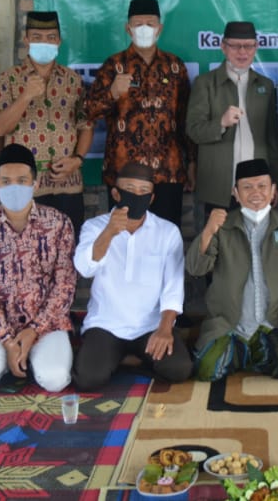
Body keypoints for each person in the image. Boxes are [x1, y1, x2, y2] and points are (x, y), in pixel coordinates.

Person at [0, 145, 77, 398]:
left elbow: (64, 286)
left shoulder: (59, 223)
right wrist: (8, 341)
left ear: (35, 183)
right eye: (6, 182)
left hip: (48, 325)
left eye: (22, 181)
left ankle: (31, 357)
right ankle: (11, 358)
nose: (14, 187)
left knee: (55, 379)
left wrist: (34, 330)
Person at [186, 159, 278, 381]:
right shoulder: (222, 226)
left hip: (274, 321)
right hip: (230, 323)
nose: (255, 193)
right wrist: (208, 230)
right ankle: (248, 352)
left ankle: (244, 354)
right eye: (247, 187)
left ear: (273, 190)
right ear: (235, 192)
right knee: (208, 370)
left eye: (262, 186)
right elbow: (196, 269)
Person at [72, 162, 192, 387]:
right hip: (106, 324)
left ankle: (125, 360)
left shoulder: (167, 231)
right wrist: (109, 232)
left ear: (152, 198)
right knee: (88, 378)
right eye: (130, 189)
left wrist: (165, 329)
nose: (136, 196)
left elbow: (173, 286)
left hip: (150, 326)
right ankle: (125, 359)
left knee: (179, 368)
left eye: (143, 192)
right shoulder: (95, 226)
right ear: (116, 193)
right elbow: (84, 268)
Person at [86, 0, 194, 226]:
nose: (144, 28)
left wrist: (192, 162)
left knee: (165, 239)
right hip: (124, 173)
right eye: (138, 24)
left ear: (159, 29)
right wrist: (112, 93)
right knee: (123, 237)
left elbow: (186, 120)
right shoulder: (113, 65)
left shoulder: (175, 66)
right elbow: (87, 114)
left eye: (150, 23)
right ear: (128, 29)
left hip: (168, 171)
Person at [0, 11, 93, 234]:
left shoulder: (72, 79)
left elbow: (86, 125)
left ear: (59, 41)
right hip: (25, 187)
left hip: (67, 184)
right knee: (26, 250)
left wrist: (78, 159)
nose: (44, 42)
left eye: (51, 37)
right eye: (36, 37)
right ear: (26, 40)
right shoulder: (10, 78)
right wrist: (26, 96)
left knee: (67, 247)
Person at [186, 21, 278, 214]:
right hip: (219, 186)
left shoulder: (265, 85)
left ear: (256, 47)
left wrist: (274, 181)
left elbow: (272, 139)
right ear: (223, 47)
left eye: (248, 46)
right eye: (235, 46)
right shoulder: (205, 83)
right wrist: (220, 123)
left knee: (256, 242)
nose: (242, 52)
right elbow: (193, 131)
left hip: (257, 187)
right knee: (215, 241)